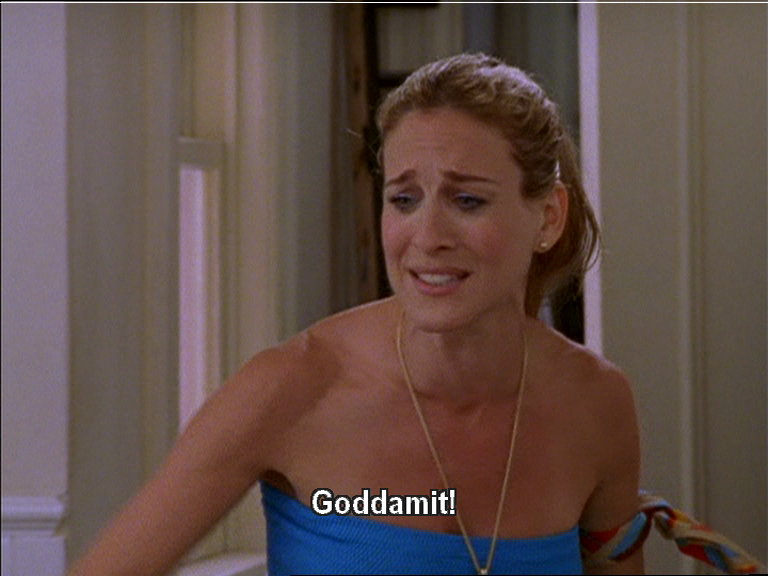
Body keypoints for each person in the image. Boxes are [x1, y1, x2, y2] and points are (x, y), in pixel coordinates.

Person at [69, 52, 643, 575]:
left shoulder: (598, 405)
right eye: (404, 200)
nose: (428, 236)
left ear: (548, 218)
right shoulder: (291, 388)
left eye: (468, 200)